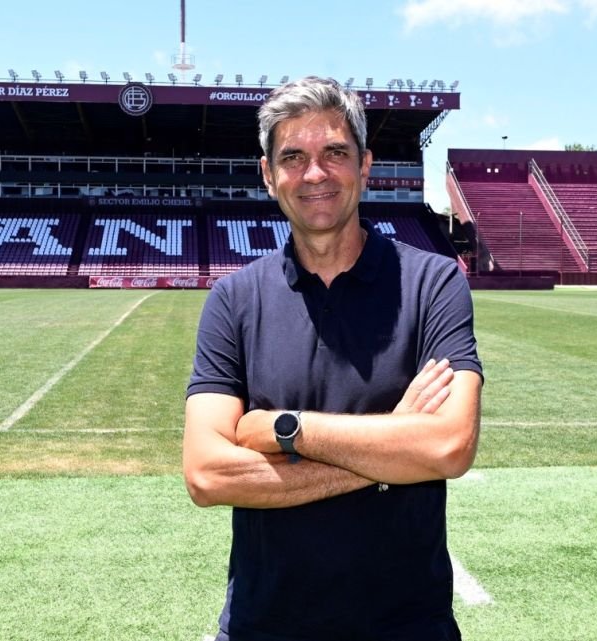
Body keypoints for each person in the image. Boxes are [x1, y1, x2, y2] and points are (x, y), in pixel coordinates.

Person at [183, 76, 483, 641]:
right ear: (268, 174)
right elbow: (206, 474)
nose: (315, 173)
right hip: (262, 627)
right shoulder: (233, 300)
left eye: (335, 153)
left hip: (407, 628)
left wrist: (285, 430)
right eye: (293, 157)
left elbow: (448, 445)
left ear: (365, 165)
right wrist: (391, 447)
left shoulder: (433, 283)